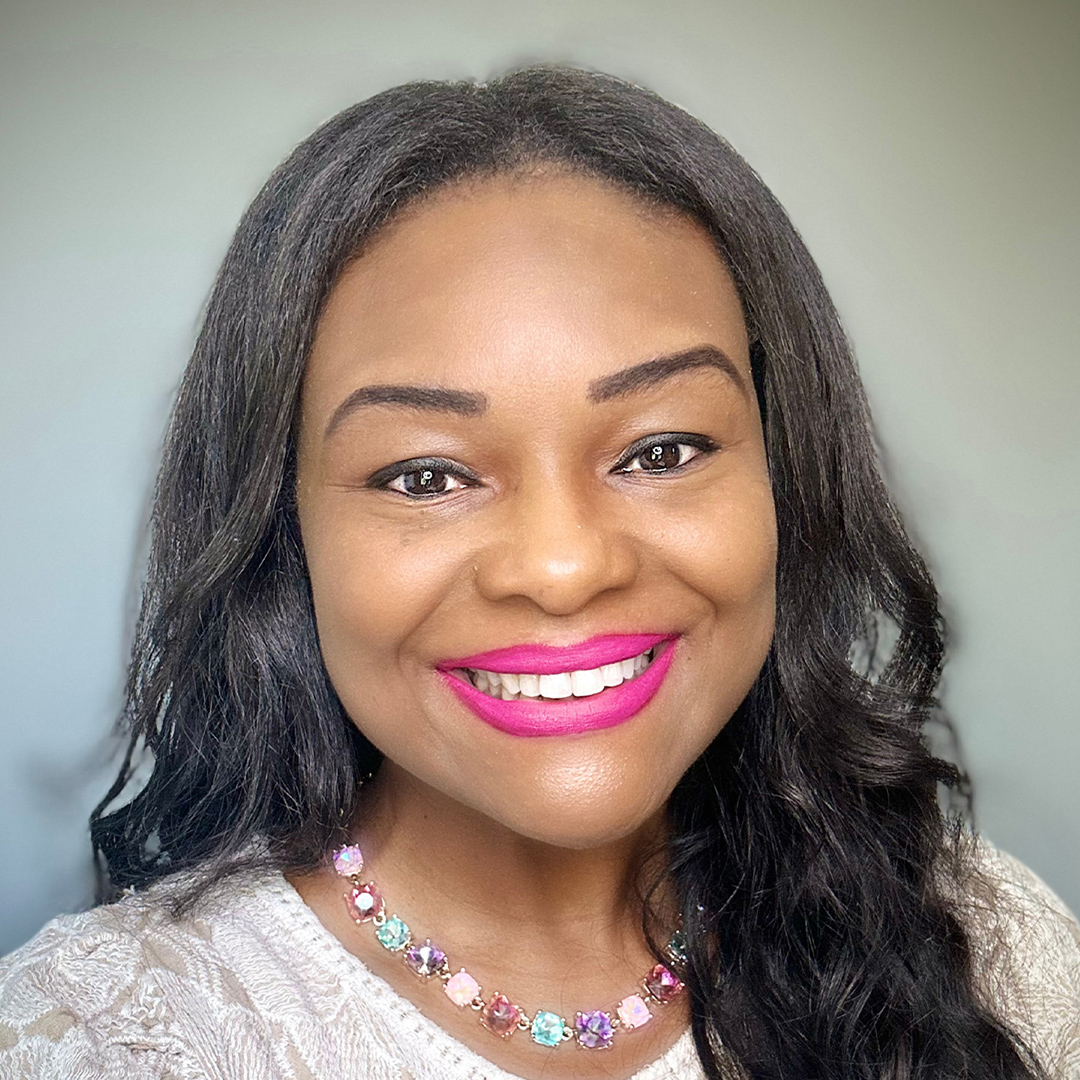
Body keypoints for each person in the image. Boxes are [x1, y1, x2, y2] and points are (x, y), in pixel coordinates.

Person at [0, 65, 1076, 1080]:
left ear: (784, 479)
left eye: (662, 451)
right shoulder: (104, 1038)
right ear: (287, 535)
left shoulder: (993, 949)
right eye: (424, 475)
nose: (562, 569)